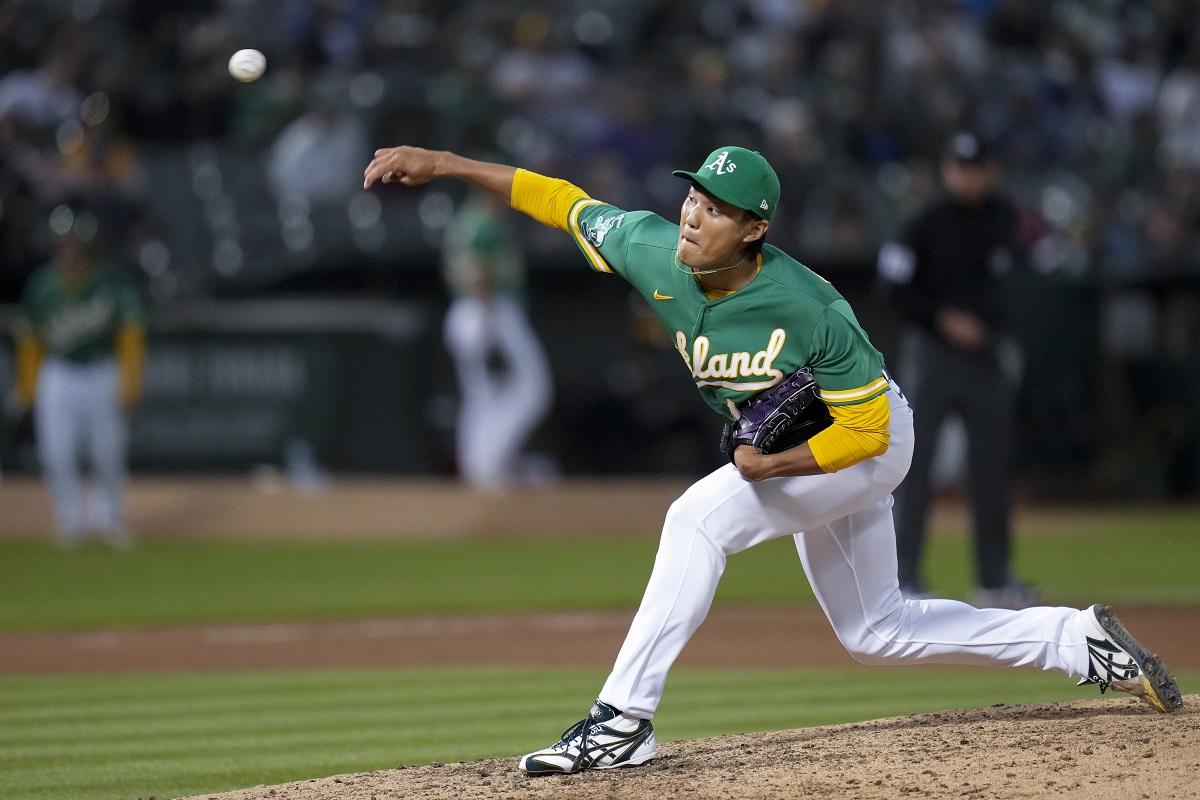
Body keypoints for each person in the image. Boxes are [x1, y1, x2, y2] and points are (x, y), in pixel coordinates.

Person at [362, 143, 1183, 775]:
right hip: (806, 448)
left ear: (753, 230)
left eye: (715, 209)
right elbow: (558, 201)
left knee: (696, 519)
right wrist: (443, 163)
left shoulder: (810, 305)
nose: (691, 215)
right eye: (691, 196)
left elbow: (867, 435)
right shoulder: (652, 249)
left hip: (866, 444)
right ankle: (1078, 643)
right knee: (876, 629)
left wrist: (770, 469)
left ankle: (621, 722)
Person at [877, 131, 1032, 608]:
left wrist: (994, 327)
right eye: (957, 167)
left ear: (991, 171)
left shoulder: (1006, 218)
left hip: (984, 357)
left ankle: (995, 578)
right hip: (933, 354)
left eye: (974, 167)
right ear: (947, 170)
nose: (964, 176)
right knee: (914, 465)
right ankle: (904, 578)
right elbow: (892, 287)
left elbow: (1022, 281)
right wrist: (944, 319)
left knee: (990, 467)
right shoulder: (922, 222)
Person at [11, 205, 146, 548]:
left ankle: (110, 519)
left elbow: (131, 333)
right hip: (59, 373)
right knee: (57, 452)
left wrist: (129, 382)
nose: (68, 250)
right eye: (62, 244)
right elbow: (30, 342)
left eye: (74, 244)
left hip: (102, 370)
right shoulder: (41, 286)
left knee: (108, 452)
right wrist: (26, 389)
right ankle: (71, 521)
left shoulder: (110, 282)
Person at [441, 188, 552, 490]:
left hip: (475, 311)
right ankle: (486, 463)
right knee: (531, 388)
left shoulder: (473, 220)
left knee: (481, 393)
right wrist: (489, 319)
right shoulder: (481, 223)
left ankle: (480, 463)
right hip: (487, 311)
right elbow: (475, 273)